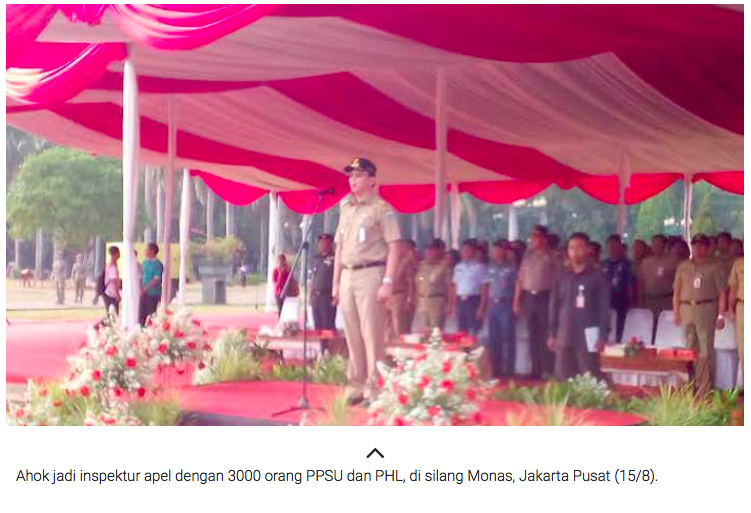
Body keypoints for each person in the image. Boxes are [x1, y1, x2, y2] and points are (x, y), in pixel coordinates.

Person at [332, 157, 401, 405]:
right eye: (351, 175)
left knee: (372, 334)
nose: (353, 179)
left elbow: (395, 247)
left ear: (372, 180)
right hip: (348, 275)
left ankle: (375, 389)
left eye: (359, 175)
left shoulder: (383, 209)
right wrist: (335, 283)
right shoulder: (345, 208)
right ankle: (356, 386)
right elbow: (339, 248)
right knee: (352, 334)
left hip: (371, 273)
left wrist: (388, 281)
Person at [548, 233, 611, 380]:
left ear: (588, 250)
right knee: (563, 377)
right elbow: (554, 306)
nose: (575, 252)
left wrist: (602, 336)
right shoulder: (562, 275)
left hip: (588, 335)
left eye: (579, 248)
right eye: (571, 248)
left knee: (589, 377)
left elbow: (604, 309)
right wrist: (552, 333)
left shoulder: (597, 277)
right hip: (564, 334)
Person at [672, 234, 727, 397]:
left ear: (707, 247)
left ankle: (705, 388)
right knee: (689, 349)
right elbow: (676, 291)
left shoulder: (715, 266)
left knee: (705, 350)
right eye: (696, 245)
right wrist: (676, 311)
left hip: (706, 308)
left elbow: (722, 293)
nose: (699, 248)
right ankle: (690, 385)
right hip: (687, 308)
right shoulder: (683, 266)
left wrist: (721, 315)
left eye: (702, 245)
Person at [513, 225, 558, 378]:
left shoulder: (552, 255)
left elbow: (559, 280)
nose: (533, 239)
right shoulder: (528, 256)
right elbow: (520, 280)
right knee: (532, 334)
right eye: (532, 236)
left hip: (545, 296)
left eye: (536, 236)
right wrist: (516, 301)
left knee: (547, 334)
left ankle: (548, 369)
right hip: (529, 297)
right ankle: (535, 369)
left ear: (544, 238)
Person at [482, 240, 518, 377]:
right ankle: (496, 370)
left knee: (508, 338)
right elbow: (486, 286)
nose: (495, 253)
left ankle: (509, 371)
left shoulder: (511, 267)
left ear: (504, 251)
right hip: (493, 305)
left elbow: (517, 286)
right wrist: (484, 306)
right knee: (494, 338)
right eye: (493, 251)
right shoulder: (490, 267)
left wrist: (516, 304)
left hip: (506, 304)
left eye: (498, 250)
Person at [638, 234, 678, 331]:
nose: (655, 246)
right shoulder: (645, 262)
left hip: (666, 300)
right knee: (649, 327)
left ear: (664, 245)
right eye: (653, 243)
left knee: (666, 327)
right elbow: (642, 282)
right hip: (649, 300)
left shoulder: (673, 260)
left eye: (657, 243)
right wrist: (641, 301)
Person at [448, 239, 487, 335]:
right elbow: (454, 286)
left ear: (473, 251)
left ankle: (474, 349)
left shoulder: (480, 267)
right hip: (461, 301)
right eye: (463, 250)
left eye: (467, 250)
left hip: (474, 301)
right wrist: (453, 305)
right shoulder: (458, 267)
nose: (464, 252)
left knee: (475, 330)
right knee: (461, 330)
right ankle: (463, 350)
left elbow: (484, 289)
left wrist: (482, 307)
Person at [415, 239, 451, 330]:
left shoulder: (443, 267)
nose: (429, 253)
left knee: (436, 332)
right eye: (427, 250)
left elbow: (449, 287)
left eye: (432, 250)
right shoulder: (421, 266)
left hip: (437, 302)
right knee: (424, 331)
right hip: (423, 301)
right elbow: (417, 285)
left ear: (438, 252)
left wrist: (450, 304)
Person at [604, 235, 633, 342]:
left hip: (621, 301)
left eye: (614, 246)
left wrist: (632, 302)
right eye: (610, 246)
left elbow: (630, 285)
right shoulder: (604, 263)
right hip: (606, 302)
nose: (612, 249)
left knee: (620, 328)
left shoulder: (627, 264)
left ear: (620, 246)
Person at [388, 240, 418, 336]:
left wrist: (409, 299)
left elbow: (411, 282)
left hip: (400, 296)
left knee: (399, 327)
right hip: (389, 296)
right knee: (388, 327)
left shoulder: (407, 263)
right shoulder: (392, 262)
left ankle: (400, 348)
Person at [309, 233, 336, 330]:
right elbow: (313, 277)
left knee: (327, 325)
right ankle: (322, 345)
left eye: (324, 242)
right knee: (317, 325)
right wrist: (310, 295)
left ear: (330, 243)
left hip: (327, 297)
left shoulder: (334, 258)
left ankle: (329, 345)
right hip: (316, 297)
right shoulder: (316, 258)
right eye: (320, 242)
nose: (322, 244)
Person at [138, 243, 164, 326]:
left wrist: (145, 289)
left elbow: (156, 279)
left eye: (147, 249)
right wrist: (141, 288)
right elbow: (141, 276)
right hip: (143, 293)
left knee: (151, 315)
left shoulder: (157, 264)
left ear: (152, 251)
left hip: (153, 293)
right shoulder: (144, 263)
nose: (145, 251)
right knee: (141, 315)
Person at [728, 256, 744, 377]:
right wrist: (730, 308)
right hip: (742, 306)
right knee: (743, 350)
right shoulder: (739, 263)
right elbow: (733, 288)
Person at [272, 254, 295, 318]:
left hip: (288, 293)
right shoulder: (275, 271)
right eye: (279, 262)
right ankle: (280, 323)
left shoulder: (288, 270)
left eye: (282, 261)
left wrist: (288, 271)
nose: (281, 263)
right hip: (279, 293)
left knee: (287, 310)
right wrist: (280, 274)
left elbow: (291, 280)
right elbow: (276, 284)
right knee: (280, 309)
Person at [103, 246, 121, 315]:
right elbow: (113, 282)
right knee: (113, 314)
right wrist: (117, 294)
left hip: (109, 292)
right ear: (116, 254)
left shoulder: (110, 265)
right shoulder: (112, 266)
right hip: (111, 293)